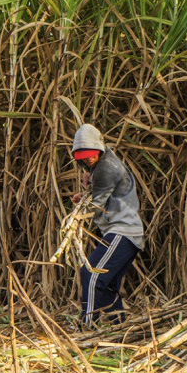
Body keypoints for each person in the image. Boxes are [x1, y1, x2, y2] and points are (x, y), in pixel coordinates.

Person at [70, 123, 145, 326]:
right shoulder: (101, 165)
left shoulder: (105, 168)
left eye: (91, 153)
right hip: (125, 233)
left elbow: (96, 206)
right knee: (108, 284)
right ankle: (118, 326)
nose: (88, 158)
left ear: (100, 148)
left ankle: (87, 326)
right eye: (83, 155)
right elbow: (99, 194)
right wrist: (85, 193)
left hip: (123, 230)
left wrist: (76, 217)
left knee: (91, 273)